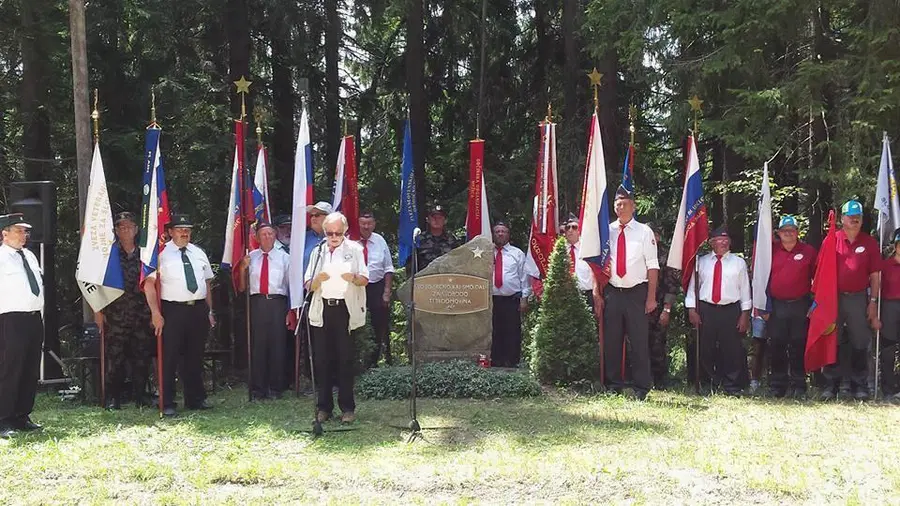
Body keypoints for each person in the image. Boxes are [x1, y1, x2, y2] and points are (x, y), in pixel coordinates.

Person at [144, 214, 216, 417]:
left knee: (195, 355)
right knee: (169, 357)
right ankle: (167, 401)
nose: (184, 233)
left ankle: (196, 399)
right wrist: (155, 313)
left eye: (187, 229)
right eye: (180, 229)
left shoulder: (198, 253)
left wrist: (210, 310)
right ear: (170, 232)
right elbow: (149, 285)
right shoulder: (160, 255)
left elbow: (207, 283)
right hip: (173, 310)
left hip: (198, 309)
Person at [305, 212, 368, 423]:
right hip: (322, 309)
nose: (333, 237)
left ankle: (347, 408)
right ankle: (324, 408)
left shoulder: (355, 250)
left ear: (345, 231)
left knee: (344, 360)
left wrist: (353, 278)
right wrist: (317, 280)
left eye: (338, 233)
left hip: (344, 310)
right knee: (322, 360)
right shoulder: (318, 251)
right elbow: (308, 285)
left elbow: (365, 279)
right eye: (330, 233)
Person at [600, 187, 659, 398]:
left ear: (633, 206)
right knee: (612, 340)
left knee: (639, 340)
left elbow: (653, 267)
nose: (620, 207)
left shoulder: (644, 232)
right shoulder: (607, 231)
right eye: (617, 203)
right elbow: (600, 265)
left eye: (624, 203)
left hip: (637, 293)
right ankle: (613, 385)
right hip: (613, 292)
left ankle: (641, 387)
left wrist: (651, 297)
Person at [821, 200, 881, 401]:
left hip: (858, 297)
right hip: (834, 298)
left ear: (862, 219)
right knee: (832, 340)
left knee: (860, 341)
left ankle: (859, 385)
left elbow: (875, 275)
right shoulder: (832, 240)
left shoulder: (869, 243)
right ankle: (831, 385)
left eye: (858, 216)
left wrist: (873, 301)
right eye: (850, 216)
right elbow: (820, 272)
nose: (854, 219)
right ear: (842, 219)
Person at [94, 212, 154, 409]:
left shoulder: (146, 255)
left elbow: (154, 283)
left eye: (129, 226)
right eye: (121, 227)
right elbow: (99, 286)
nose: (125, 230)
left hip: (141, 314)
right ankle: (113, 398)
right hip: (116, 315)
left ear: (136, 230)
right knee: (115, 359)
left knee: (142, 357)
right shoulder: (108, 255)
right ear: (116, 231)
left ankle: (141, 396)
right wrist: (98, 312)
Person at [686, 226, 751, 396]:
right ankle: (708, 383)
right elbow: (693, 287)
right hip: (707, 309)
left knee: (731, 349)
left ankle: (732, 385)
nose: (722, 243)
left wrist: (745, 314)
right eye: (717, 240)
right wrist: (692, 309)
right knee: (705, 348)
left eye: (725, 240)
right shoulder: (701, 262)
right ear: (711, 243)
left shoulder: (739, 263)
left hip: (730, 310)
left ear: (729, 242)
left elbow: (745, 290)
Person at [0, 213, 44, 438]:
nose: (24, 235)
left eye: (25, 231)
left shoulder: (29, 256)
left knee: (30, 368)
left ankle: (21, 415)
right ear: (4, 233)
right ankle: (4, 418)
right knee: (10, 368)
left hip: (33, 318)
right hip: (10, 319)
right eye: (18, 230)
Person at [765, 215, 817, 398]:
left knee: (798, 344)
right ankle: (778, 385)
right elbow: (761, 278)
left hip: (800, 305)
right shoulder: (770, 251)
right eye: (784, 230)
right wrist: (763, 306)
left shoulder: (808, 251)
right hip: (777, 305)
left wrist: (816, 303)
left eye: (792, 230)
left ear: (797, 232)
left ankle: (799, 385)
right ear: (778, 233)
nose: (788, 233)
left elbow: (817, 279)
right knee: (777, 345)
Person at [239, 222, 291, 400]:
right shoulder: (251, 257)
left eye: (270, 234)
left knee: (277, 344)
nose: (267, 237)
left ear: (275, 236)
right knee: (258, 345)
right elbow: (241, 287)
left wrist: (291, 309)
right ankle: (258, 388)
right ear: (257, 238)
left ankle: (276, 388)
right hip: (257, 302)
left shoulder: (284, 258)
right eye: (263, 234)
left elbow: (290, 285)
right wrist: (242, 269)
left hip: (277, 303)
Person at [645, 222, 681, 389]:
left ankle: (660, 381)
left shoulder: (666, 255)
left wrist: (666, 309)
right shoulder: (639, 252)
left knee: (658, 344)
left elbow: (672, 285)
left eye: (654, 234)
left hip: (659, 307)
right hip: (638, 305)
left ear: (658, 237)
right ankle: (641, 378)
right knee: (638, 343)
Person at [491, 221, 530, 368]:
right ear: (493, 234)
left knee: (511, 332)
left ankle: (511, 362)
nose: (500, 234)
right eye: (497, 231)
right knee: (494, 331)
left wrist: (524, 299)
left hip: (511, 300)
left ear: (508, 234)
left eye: (503, 231)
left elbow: (523, 278)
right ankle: (495, 361)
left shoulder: (517, 253)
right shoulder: (486, 253)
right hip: (491, 299)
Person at [358, 211, 394, 367]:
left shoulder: (380, 241)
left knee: (377, 324)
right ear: (358, 223)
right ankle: (357, 361)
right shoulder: (349, 240)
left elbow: (388, 268)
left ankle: (373, 362)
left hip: (376, 287)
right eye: (363, 223)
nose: (366, 226)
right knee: (357, 323)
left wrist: (387, 292)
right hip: (356, 288)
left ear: (374, 224)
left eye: (369, 223)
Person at [566, 215, 600, 311]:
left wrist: (596, 293)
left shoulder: (587, 250)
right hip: (567, 296)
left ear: (579, 230)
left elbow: (595, 273)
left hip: (587, 295)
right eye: (568, 228)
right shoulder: (560, 251)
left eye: (574, 227)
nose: (570, 230)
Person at [417, 204, 461, 270]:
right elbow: (412, 264)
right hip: (424, 278)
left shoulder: (452, 240)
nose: (436, 220)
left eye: (440, 218)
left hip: (446, 278)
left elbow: (458, 262)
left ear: (445, 221)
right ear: (428, 220)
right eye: (433, 217)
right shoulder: (419, 240)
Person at [304, 202, 331, 274]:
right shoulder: (304, 238)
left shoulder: (337, 238)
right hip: (304, 284)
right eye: (311, 216)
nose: (313, 218)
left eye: (317, 215)